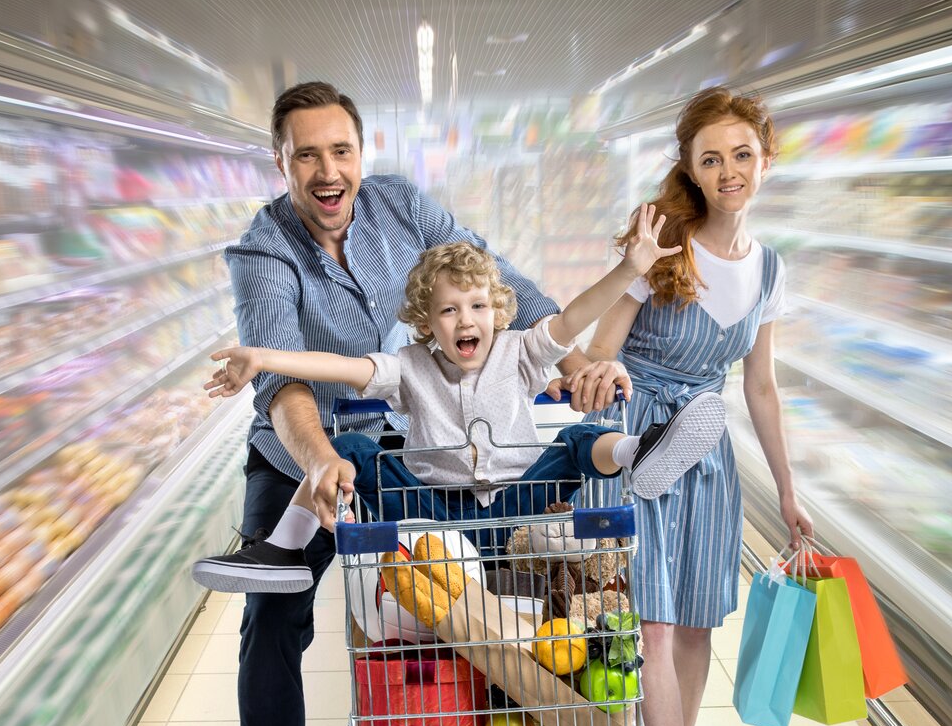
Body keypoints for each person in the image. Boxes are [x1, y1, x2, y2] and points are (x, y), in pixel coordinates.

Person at [215, 80, 624, 726]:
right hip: (305, 450)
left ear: (361, 153)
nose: (329, 173)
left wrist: (571, 362)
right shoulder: (261, 253)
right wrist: (319, 458)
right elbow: (282, 382)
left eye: (341, 151)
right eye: (307, 155)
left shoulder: (401, 206)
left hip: (412, 440)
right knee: (273, 622)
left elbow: (500, 286)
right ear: (280, 160)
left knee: (439, 578)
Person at [193, 214, 725, 594]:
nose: (465, 320)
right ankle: (284, 549)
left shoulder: (521, 352)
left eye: (477, 306)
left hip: (517, 506)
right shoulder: (409, 365)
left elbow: (574, 317)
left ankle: (641, 450)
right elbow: (341, 366)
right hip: (433, 516)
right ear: (426, 322)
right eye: (448, 310)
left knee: (576, 440)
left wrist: (630, 269)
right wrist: (264, 357)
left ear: (498, 312)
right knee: (351, 446)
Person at [566, 87, 814, 726]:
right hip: (646, 431)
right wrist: (600, 373)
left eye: (742, 154)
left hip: (708, 448)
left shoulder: (770, 271)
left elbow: (763, 389)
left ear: (765, 160)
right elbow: (607, 344)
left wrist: (789, 491)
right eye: (712, 158)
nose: (729, 170)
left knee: (701, 624)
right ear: (692, 169)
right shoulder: (664, 247)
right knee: (660, 628)